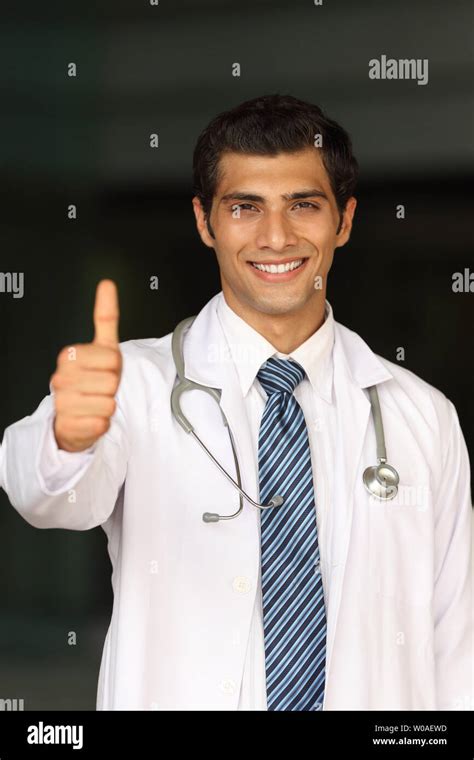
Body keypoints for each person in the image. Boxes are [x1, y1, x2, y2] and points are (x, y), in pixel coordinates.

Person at [1, 94, 471, 711]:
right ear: (205, 222)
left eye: (303, 205)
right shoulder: (136, 386)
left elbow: (455, 641)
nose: (276, 237)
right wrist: (67, 438)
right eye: (245, 207)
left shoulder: (421, 414)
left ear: (344, 220)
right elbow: (46, 500)